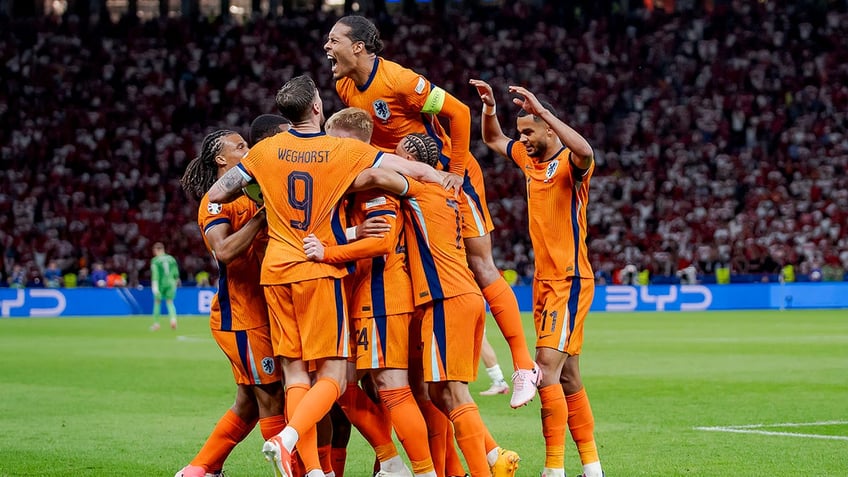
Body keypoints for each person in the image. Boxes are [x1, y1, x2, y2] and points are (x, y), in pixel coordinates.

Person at [205, 74, 458, 477]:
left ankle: (313, 470)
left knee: (294, 375)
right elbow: (395, 170)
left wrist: (265, 193)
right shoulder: (339, 149)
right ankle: (287, 438)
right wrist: (439, 176)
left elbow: (219, 192)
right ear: (318, 108)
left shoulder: (264, 153)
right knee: (335, 375)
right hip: (317, 270)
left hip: (276, 272)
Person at [325, 15, 540, 409]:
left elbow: (458, 113)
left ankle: (524, 366)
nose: (327, 47)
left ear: (357, 46)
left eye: (333, 40)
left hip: (445, 175)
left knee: (481, 265)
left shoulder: (401, 81)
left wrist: (456, 173)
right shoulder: (343, 87)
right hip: (405, 183)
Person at [470, 79, 604, 477]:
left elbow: (586, 151)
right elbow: (493, 138)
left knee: (544, 368)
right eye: (522, 132)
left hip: (570, 279)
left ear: (548, 128)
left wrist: (544, 112)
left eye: (529, 131)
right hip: (544, 283)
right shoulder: (529, 161)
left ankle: (554, 468)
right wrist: (490, 108)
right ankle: (593, 467)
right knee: (568, 375)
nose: (523, 138)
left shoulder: (571, 166)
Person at [305, 106, 436, 477]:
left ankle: (418, 470)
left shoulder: (377, 179)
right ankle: (391, 462)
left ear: (347, 141)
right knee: (340, 384)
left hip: (381, 293)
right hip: (357, 295)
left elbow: (380, 239)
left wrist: (329, 250)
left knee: (391, 385)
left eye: (332, 142)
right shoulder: (349, 179)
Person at [390, 133, 519, 477]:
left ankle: (483, 469)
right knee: (439, 391)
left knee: (453, 392)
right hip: (462, 294)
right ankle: (491, 456)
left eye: (399, 153)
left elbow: (372, 174)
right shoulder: (450, 192)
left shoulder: (417, 187)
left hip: (447, 298)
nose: (393, 156)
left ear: (414, 161)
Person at [174, 129, 287, 477]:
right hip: (241, 317)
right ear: (222, 159)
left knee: (249, 403)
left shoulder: (255, 192)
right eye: (240, 147)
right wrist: (261, 218)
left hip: (265, 311)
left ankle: (200, 470)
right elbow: (222, 251)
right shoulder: (215, 201)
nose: (248, 150)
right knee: (270, 397)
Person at [149, 242, 180, 331]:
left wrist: (154, 286)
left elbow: (155, 274)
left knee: (157, 302)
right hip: (171, 283)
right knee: (170, 302)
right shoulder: (171, 259)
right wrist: (175, 282)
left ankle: (156, 324)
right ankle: (173, 320)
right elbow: (176, 273)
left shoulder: (155, 260)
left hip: (160, 283)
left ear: (156, 250)